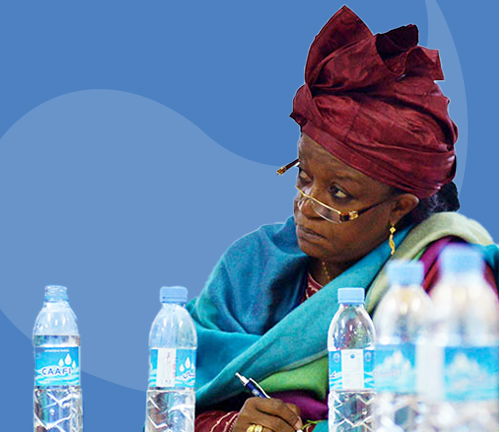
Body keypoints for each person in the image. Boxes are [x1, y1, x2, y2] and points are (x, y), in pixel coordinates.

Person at [190, 6, 499, 432]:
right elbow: (174, 402)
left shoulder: (441, 278)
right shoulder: (253, 265)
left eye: (339, 194)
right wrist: (230, 425)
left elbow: (458, 416)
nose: (308, 205)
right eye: (303, 176)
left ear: (399, 208)